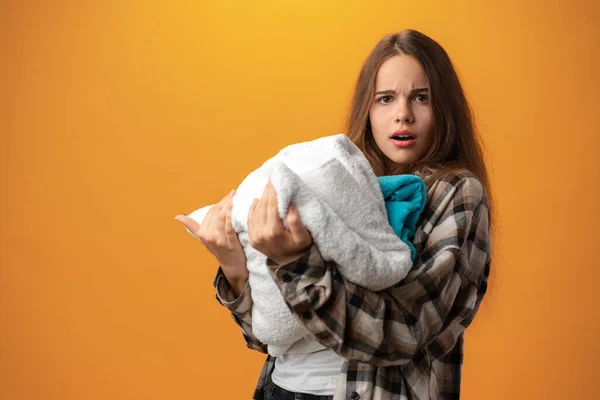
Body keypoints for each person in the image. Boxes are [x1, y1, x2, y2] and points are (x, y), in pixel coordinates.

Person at [175, 29, 492, 400]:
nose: (402, 114)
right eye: (385, 99)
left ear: (445, 108)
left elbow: (404, 332)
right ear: (367, 110)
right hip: (280, 390)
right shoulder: (340, 179)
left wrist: (295, 263)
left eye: (421, 98)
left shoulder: (456, 191)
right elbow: (267, 336)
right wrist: (234, 266)